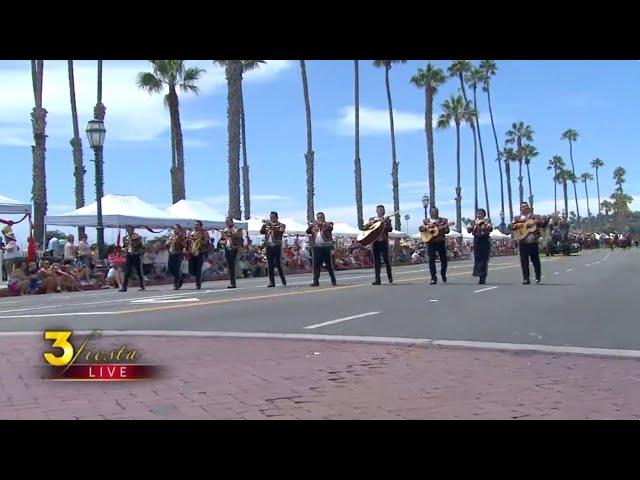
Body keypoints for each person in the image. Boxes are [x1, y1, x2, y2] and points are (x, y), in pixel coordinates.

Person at [510, 202, 546, 285]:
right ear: (520, 209)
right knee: (524, 262)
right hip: (522, 242)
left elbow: (542, 225)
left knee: (535, 261)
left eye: (526, 206)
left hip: (533, 242)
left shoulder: (535, 217)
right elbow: (511, 226)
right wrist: (522, 226)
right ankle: (526, 278)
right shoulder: (517, 218)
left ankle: (538, 277)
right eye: (523, 207)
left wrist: (545, 221)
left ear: (529, 208)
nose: (525, 208)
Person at [420, 207, 450, 285]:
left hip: (440, 241)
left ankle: (443, 274)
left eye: (436, 211)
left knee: (443, 259)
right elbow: (421, 229)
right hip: (431, 242)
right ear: (430, 213)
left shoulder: (444, 221)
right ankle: (433, 277)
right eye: (433, 212)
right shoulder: (426, 221)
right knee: (431, 260)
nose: (434, 213)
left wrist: (446, 228)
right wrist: (426, 228)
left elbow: (447, 231)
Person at [364, 205, 393, 285]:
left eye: (382, 210)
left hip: (383, 241)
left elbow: (390, 229)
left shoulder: (387, 219)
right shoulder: (372, 219)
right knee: (376, 261)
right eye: (380, 210)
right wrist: (370, 224)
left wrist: (385, 224)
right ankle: (377, 279)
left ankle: (389, 277)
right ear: (377, 211)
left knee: (386, 260)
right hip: (375, 242)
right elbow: (366, 228)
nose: (381, 211)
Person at [306, 212, 337, 287]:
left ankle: (333, 279)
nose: (319, 219)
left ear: (324, 218)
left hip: (325, 247)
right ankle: (315, 281)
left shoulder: (328, 224)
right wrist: (311, 225)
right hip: (316, 247)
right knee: (316, 264)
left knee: (329, 264)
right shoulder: (314, 225)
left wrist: (322, 224)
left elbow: (330, 227)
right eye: (318, 217)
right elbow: (307, 231)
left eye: (321, 217)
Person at [260, 212, 287, 287]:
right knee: (270, 265)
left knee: (278, 264)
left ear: (276, 217)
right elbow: (262, 232)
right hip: (269, 246)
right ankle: (272, 282)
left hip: (276, 246)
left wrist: (272, 226)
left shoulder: (281, 225)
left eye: (273, 217)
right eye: (270, 217)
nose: (271, 218)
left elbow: (280, 232)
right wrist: (264, 225)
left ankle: (283, 279)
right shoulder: (267, 226)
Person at [468, 209, 493, 284]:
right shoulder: (474, 222)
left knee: (484, 259)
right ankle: (478, 274)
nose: (479, 215)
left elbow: (490, 228)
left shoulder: (487, 221)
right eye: (478, 213)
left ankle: (483, 277)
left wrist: (484, 225)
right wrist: (471, 227)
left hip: (484, 240)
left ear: (484, 214)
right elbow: (469, 230)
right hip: (477, 240)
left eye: (481, 213)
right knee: (477, 258)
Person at [218, 217, 244, 289]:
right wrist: (223, 242)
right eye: (226, 222)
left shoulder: (236, 229)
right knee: (229, 266)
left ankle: (233, 283)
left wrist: (231, 232)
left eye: (228, 222)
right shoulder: (225, 230)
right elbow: (221, 240)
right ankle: (231, 282)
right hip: (227, 248)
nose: (227, 223)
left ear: (231, 222)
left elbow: (238, 237)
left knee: (232, 265)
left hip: (234, 248)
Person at [120, 225, 146, 292]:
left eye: (130, 229)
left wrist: (135, 240)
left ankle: (142, 286)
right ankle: (124, 287)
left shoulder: (137, 237)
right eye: (127, 229)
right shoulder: (125, 238)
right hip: (129, 255)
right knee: (127, 271)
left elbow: (141, 245)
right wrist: (124, 249)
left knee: (139, 271)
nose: (129, 231)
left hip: (136, 255)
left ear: (133, 230)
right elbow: (123, 246)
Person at [188, 220, 211, 290]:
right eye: (195, 225)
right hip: (191, 252)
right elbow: (187, 242)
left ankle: (198, 284)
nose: (195, 226)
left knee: (198, 269)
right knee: (191, 269)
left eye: (197, 225)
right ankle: (200, 277)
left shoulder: (204, 233)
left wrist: (199, 240)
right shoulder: (191, 233)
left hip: (200, 252)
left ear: (200, 226)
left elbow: (206, 242)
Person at [168, 224, 187, 290]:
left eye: (176, 228)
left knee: (176, 269)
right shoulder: (171, 236)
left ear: (179, 229)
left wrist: (184, 248)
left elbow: (184, 244)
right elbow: (167, 244)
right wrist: (168, 242)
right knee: (170, 268)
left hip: (178, 253)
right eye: (174, 228)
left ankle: (176, 284)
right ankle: (180, 277)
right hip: (171, 253)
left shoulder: (181, 236)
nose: (174, 229)